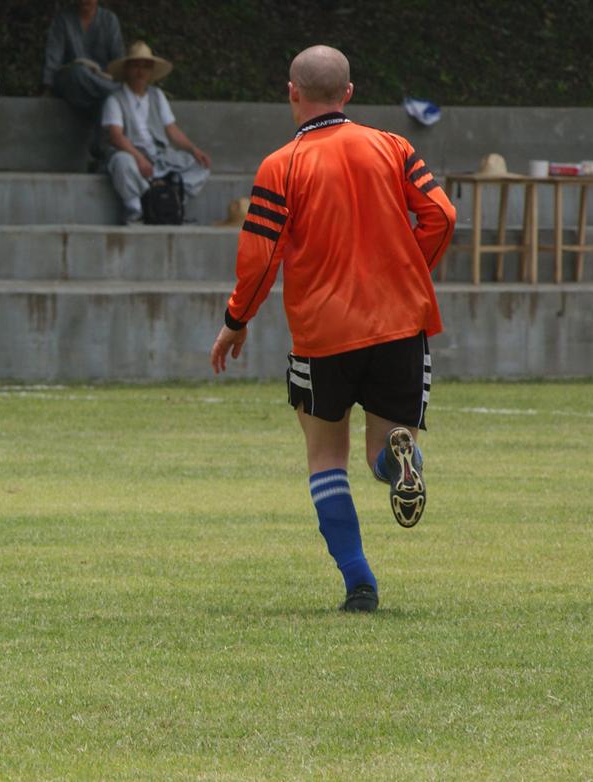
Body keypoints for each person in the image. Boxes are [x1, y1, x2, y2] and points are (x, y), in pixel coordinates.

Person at [210, 45, 455, 612]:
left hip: (322, 331)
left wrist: (236, 322)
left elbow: (259, 255)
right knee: (381, 452)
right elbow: (442, 215)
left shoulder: (281, 164)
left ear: (292, 92)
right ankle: (399, 462)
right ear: (348, 94)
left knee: (325, 457)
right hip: (399, 322)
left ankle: (359, 583)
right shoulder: (393, 146)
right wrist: (406, 270)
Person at [101, 41, 211, 224]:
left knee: (200, 165)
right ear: (127, 69)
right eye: (135, 65)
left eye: (145, 66)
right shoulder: (115, 99)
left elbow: (172, 129)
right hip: (131, 153)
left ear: (151, 72)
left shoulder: (157, 95)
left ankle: (171, 200)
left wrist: (194, 150)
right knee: (121, 162)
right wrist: (139, 158)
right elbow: (116, 136)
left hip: (158, 155)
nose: (140, 71)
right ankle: (136, 207)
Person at [41, 0, 123, 113]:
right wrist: (48, 87)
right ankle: (116, 92)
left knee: (108, 94)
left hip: (102, 81)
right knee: (78, 72)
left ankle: (109, 93)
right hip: (73, 83)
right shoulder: (63, 20)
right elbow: (53, 58)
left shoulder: (109, 19)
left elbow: (118, 61)